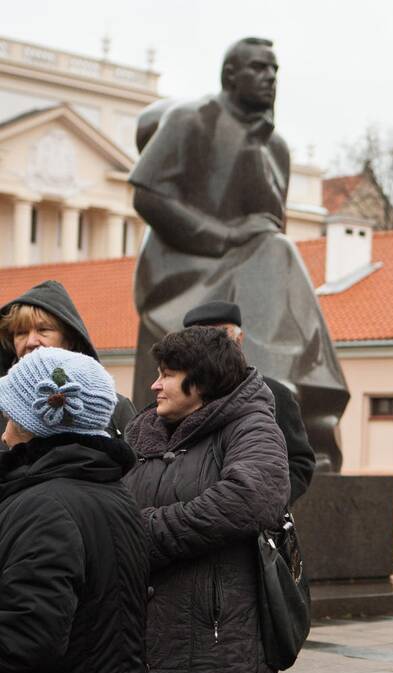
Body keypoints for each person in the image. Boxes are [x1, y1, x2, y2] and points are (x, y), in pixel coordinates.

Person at [129, 36, 349, 472]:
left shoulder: (276, 146)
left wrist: (250, 234)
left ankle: (300, 402)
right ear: (231, 75)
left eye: (274, 70)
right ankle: (279, 396)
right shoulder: (193, 119)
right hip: (184, 266)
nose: (270, 78)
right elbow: (148, 196)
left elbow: (270, 220)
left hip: (252, 262)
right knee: (276, 252)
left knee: (276, 251)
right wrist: (224, 236)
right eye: (258, 68)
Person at [123, 326, 289, 673]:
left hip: (218, 638)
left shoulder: (251, 425)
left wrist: (144, 533)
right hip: (143, 635)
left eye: (167, 374)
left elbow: (249, 499)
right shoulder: (141, 432)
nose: (155, 384)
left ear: (201, 381)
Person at [0, 347, 149, 673]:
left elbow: (26, 639)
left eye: (12, 420)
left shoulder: (45, 507)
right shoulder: (109, 490)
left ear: (35, 427)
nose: (4, 434)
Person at [183, 300, 316, 503]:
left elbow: (299, 462)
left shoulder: (274, 393)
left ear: (239, 339)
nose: (213, 342)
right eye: (203, 334)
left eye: (222, 333)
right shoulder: (175, 395)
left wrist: (270, 502)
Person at [0, 280, 137, 441]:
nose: (30, 342)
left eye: (43, 330)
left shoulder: (115, 408)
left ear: (70, 339)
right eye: (21, 333)